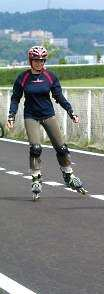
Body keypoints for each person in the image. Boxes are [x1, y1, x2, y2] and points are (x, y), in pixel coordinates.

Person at [5, 46, 86, 200]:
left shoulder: (50, 77)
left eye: (42, 60)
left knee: (61, 148)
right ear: (31, 61)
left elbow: (59, 97)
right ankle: (36, 178)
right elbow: (15, 98)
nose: (39, 63)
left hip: (48, 115)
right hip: (31, 116)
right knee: (35, 147)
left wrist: (71, 112)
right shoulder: (23, 78)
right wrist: (11, 116)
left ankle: (68, 175)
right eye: (36, 60)